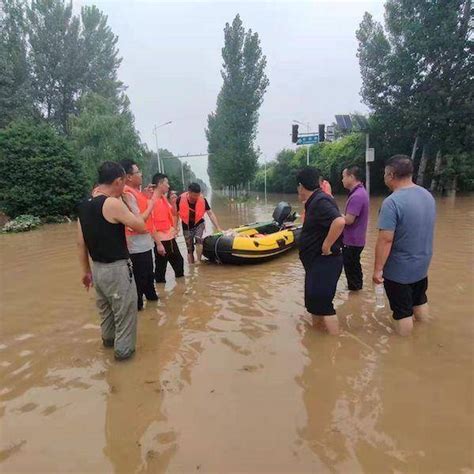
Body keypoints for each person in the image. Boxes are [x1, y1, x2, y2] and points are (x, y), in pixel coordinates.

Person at [77, 161, 152, 360]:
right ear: (118, 181)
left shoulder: (83, 205)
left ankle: (108, 344)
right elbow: (141, 226)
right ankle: (124, 360)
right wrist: (127, 203)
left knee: (107, 315)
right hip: (117, 270)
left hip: (98, 270)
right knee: (125, 316)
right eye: (123, 182)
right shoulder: (112, 203)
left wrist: (86, 272)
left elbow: (80, 243)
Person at [373, 155, 436, 336]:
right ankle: (424, 337)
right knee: (420, 300)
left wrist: (378, 270)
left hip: (399, 270)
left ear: (391, 174)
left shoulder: (392, 202)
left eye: (385, 173)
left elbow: (385, 239)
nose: (384, 177)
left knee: (402, 312)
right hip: (422, 264)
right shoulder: (427, 195)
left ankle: (405, 350)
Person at [297, 167, 346, 335]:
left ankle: (334, 343)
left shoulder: (320, 201)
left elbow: (339, 221)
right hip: (316, 264)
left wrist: (326, 245)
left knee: (324, 306)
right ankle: (317, 341)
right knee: (314, 304)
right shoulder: (316, 201)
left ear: (301, 186)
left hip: (325, 263)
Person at [120, 159, 159, 311]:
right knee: (139, 282)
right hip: (136, 247)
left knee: (149, 278)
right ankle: (139, 312)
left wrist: (147, 197)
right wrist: (151, 203)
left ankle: (153, 306)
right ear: (129, 177)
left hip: (145, 243)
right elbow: (137, 220)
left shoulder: (136, 192)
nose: (141, 174)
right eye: (138, 172)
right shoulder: (127, 194)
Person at [151, 173, 184, 283]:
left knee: (179, 263)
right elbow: (150, 224)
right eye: (167, 183)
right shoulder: (152, 201)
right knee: (161, 270)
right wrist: (159, 244)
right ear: (160, 184)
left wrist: (174, 203)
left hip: (169, 238)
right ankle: (161, 293)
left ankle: (180, 290)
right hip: (161, 241)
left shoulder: (163, 199)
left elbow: (173, 213)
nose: (168, 186)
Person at [176, 182, 222, 263]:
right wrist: (176, 227)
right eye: (194, 195)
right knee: (189, 249)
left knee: (198, 239)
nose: (196, 198)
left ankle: (199, 261)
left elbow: (210, 214)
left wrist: (218, 227)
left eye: (197, 195)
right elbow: (175, 214)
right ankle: (191, 266)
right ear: (189, 192)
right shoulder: (179, 200)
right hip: (186, 226)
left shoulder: (202, 200)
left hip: (199, 223)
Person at [341, 165, 369, 291]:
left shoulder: (357, 196)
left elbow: (349, 220)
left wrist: (335, 216)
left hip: (351, 241)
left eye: (344, 177)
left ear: (351, 177)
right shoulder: (361, 192)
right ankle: (357, 296)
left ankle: (355, 294)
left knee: (351, 270)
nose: (342, 180)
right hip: (357, 239)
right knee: (355, 268)